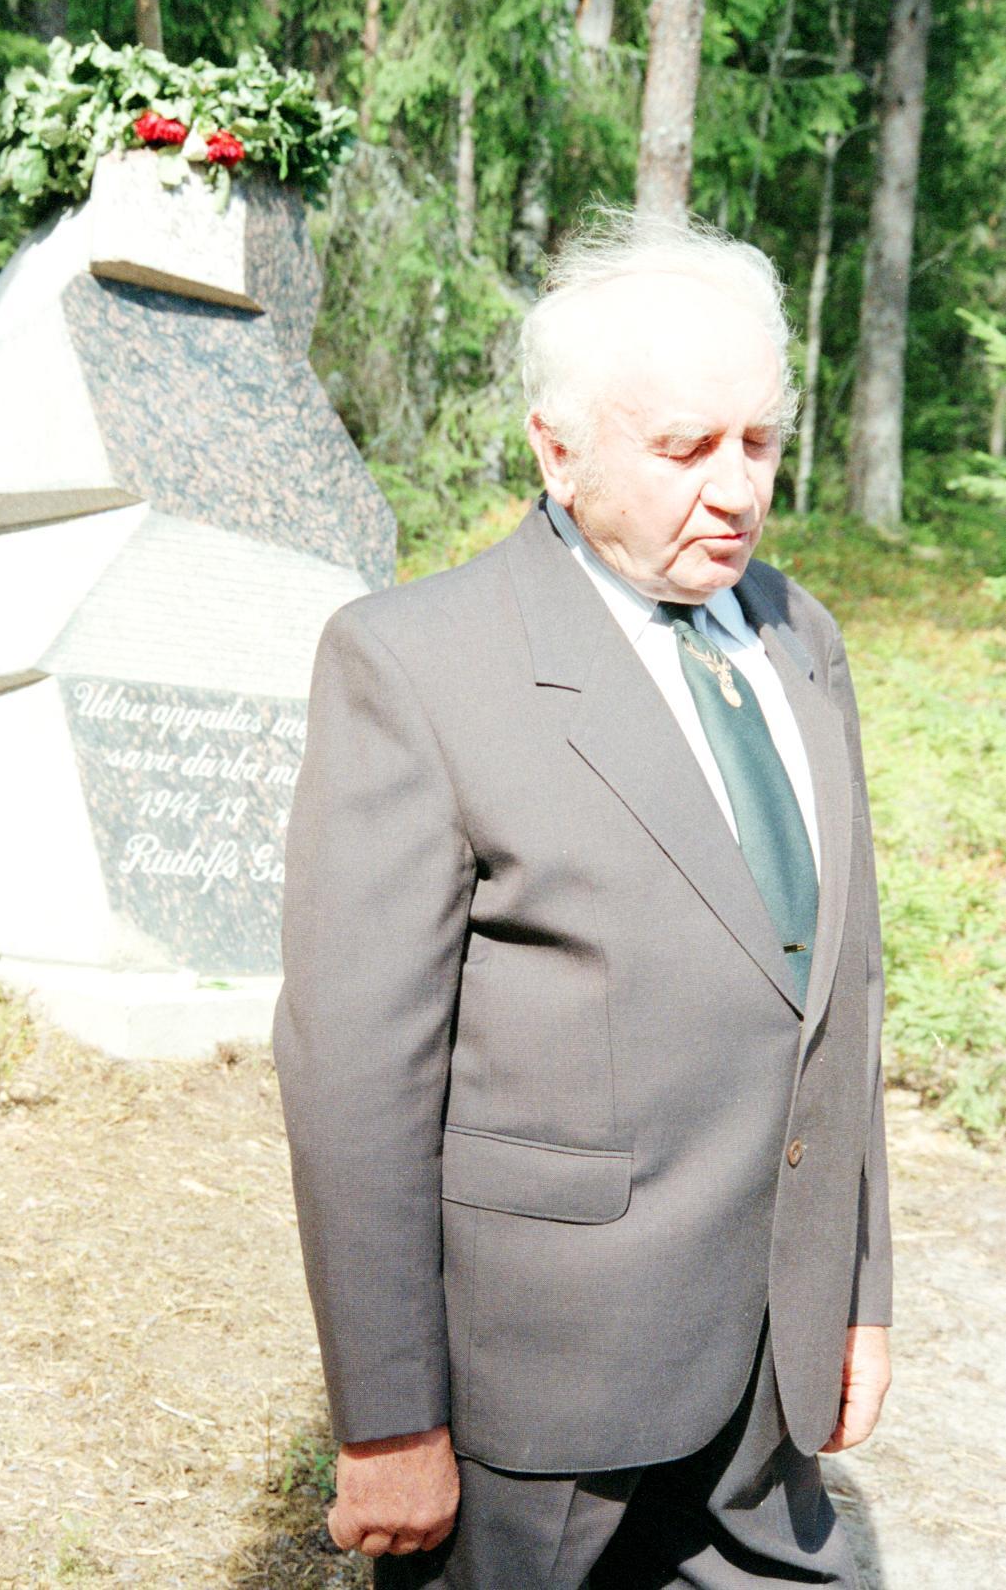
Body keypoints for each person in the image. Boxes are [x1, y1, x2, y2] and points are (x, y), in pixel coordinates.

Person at [272, 210, 891, 1589]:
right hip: (542, 1402)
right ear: (557, 452)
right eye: (682, 447)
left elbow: (837, 992)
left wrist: (856, 1293)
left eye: (759, 441)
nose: (734, 490)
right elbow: (357, 1073)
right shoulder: (416, 664)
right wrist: (387, 1419)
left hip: (769, 1392)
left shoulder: (799, 638)